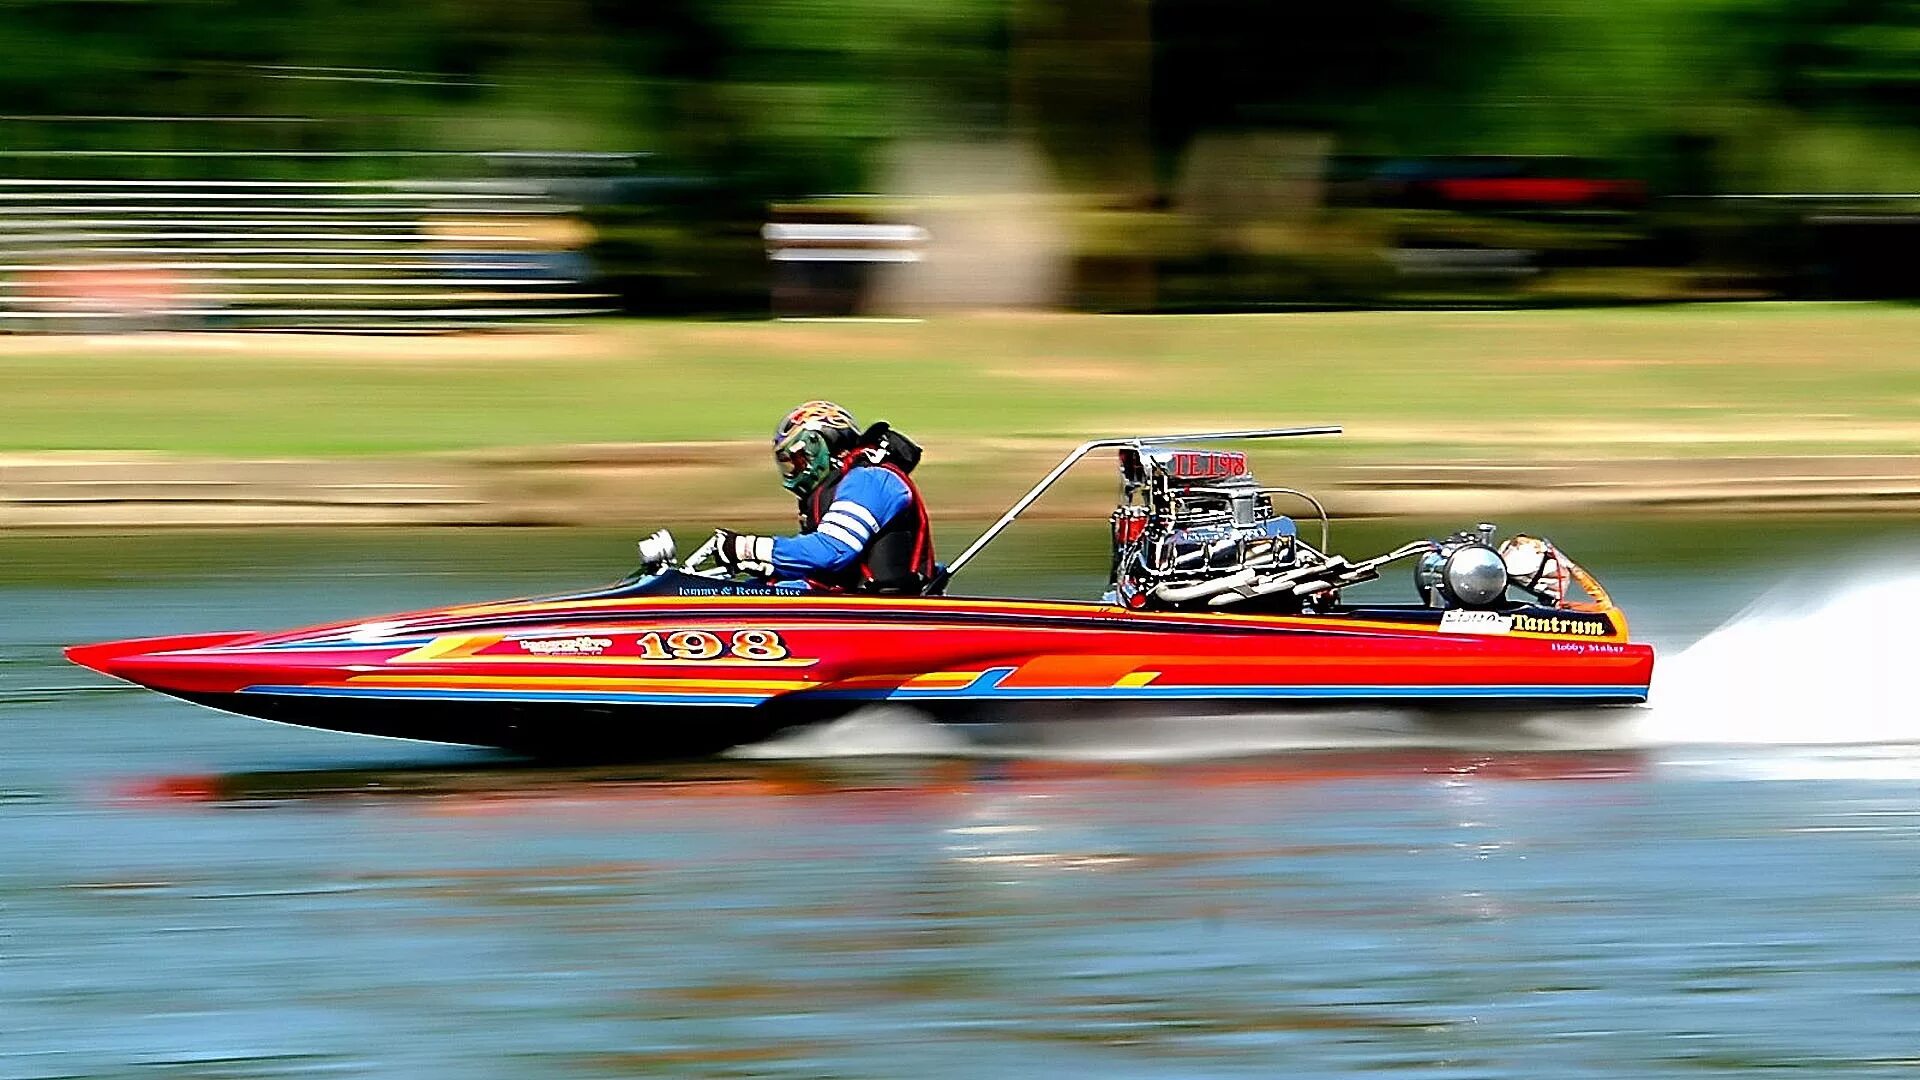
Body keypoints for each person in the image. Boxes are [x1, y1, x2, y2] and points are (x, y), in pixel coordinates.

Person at [708, 401, 936, 593]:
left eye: (797, 461)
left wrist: (747, 547)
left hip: (882, 611)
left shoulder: (871, 480)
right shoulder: (838, 487)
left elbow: (833, 551)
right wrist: (771, 567)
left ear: (818, 448)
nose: (792, 472)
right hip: (845, 602)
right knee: (748, 588)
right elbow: (827, 568)